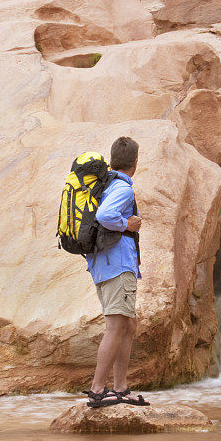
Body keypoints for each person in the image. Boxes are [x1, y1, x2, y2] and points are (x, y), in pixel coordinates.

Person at [84, 136, 148, 408]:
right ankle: (98, 389)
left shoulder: (106, 185)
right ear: (135, 162)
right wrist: (128, 225)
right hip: (117, 265)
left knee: (128, 324)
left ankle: (121, 387)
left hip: (105, 265)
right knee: (116, 326)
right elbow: (105, 216)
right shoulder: (122, 189)